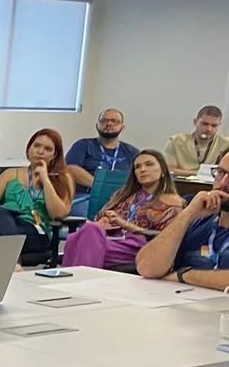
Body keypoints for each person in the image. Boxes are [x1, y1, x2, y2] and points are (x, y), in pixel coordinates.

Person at [61, 150, 182, 271]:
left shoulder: (173, 202)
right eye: (137, 167)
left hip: (141, 246)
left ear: (163, 170)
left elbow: (168, 238)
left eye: (149, 164)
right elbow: (99, 218)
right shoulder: (122, 194)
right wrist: (103, 221)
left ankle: (77, 282)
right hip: (110, 239)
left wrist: (124, 224)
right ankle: (83, 280)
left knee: (81, 244)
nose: (142, 169)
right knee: (88, 232)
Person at [0, 129, 75, 264]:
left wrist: (45, 180)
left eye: (47, 149)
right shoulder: (10, 174)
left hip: (37, 232)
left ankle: (10, 261)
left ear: (55, 155)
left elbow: (58, 214)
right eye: (36, 146)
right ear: (29, 149)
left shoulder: (63, 178)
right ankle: (13, 261)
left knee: (0, 232)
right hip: (4, 225)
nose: (40, 151)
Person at [135, 154, 229, 287]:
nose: (224, 183)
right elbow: (147, 267)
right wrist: (187, 214)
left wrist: (183, 275)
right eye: (220, 173)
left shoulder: (183, 276)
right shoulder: (199, 220)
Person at [65, 109, 139, 192]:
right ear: (97, 126)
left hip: (120, 198)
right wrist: (100, 186)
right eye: (103, 121)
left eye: (114, 121)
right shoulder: (83, 145)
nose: (108, 124)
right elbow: (70, 168)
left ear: (122, 128)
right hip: (85, 197)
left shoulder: (132, 152)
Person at [165, 105, 229, 177]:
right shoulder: (176, 141)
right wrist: (198, 173)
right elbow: (169, 170)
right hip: (182, 184)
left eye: (214, 125)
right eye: (204, 124)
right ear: (195, 122)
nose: (209, 129)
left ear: (219, 125)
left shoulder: (226, 143)